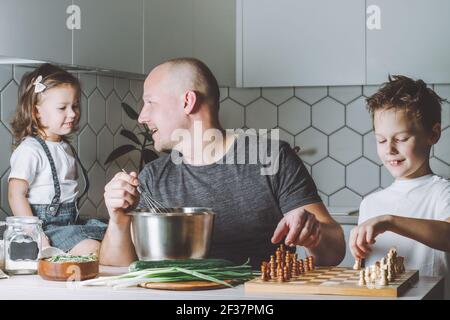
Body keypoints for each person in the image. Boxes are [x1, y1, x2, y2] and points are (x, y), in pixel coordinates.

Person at [100, 58, 345, 267]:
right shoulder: (153, 177)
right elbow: (115, 269)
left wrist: (313, 234)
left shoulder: (271, 157)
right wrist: (118, 218)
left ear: (187, 102)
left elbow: (334, 252)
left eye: (150, 102)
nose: (142, 116)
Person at [349, 75, 450, 298]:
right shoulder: (371, 204)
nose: (390, 150)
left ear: (433, 134)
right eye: (381, 140)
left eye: (402, 138)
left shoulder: (443, 193)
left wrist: (390, 221)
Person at [8, 63, 106, 255]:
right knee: (94, 248)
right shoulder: (30, 150)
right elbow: (15, 195)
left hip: (70, 224)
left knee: (114, 234)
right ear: (36, 111)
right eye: (63, 108)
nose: (73, 113)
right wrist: (37, 235)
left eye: (75, 105)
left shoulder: (64, 147)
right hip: (47, 229)